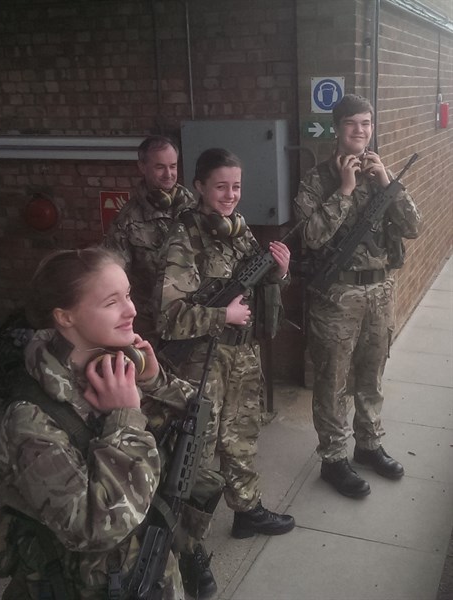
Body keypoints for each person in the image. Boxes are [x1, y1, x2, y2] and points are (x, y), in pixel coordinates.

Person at [0, 247, 222, 599]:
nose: (131, 310)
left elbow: (206, 426)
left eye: (127, 295)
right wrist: (127, 420)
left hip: (151, 565)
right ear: (65, 317)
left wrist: (156, 382)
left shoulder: (117, 366)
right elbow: (94, 526)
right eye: (111, 302)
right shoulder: (32, 418)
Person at [156, 147, 296, 540]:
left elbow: (256, 286)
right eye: (221, 187)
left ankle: (247, 509)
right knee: (196, 456)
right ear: (199, 186)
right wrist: (222, 316)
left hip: (242, 355)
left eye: (236, 186)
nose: (230, 194)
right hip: (203, 364)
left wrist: (280, 273)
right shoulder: (184, 239)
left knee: (241, 435)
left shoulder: (238, 229)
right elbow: (169, 317)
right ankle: (187, 543)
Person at [293, 94, 421, 498]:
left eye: (366, 123)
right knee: (332, 380)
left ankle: (368, 445)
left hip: (380, 289)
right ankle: (333, 459)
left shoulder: (381, 173)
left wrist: (387, 183)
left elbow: (414, 226)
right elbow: (310, 238)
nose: (361, 131)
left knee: (372, 373)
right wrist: (345, 190)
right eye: (352, 124)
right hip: (337, 294)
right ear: (337, 128)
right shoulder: (316, 180)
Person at [105, 135, 196, 347]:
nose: (169, 174)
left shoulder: (195, 209)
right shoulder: (127, 221)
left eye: (173, 166)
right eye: (160, 167)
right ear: (142, 167)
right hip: (152, 329)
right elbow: (114, 277)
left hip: (194, 319)